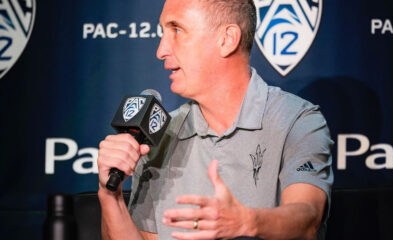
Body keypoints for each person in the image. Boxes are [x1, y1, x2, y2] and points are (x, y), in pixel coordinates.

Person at [97, 0, 333, 239]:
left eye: (177, 30)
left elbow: (308, 218)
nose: (160, 50)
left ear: (227, 39)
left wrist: (246, 222)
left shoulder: (296, 120)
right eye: (162, 32)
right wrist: (111, 196)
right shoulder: (159, 136)